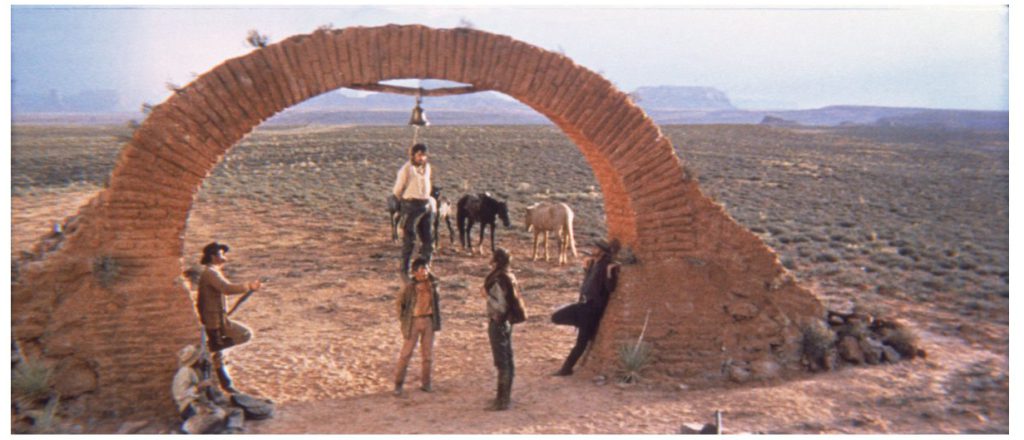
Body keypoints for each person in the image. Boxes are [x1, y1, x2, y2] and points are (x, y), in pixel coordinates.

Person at [196, 242, 263, 394]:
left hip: (218, 318)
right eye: (221, 254)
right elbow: (226, 289)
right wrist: (248, 286)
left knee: (219, 355)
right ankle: (212, 348)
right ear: (213, 257)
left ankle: (225, 383)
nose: (224, 257)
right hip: (213, 320)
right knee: (244, 334)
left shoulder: (213, 272)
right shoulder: (210, 273)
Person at [551, 238, 620, 376]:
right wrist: (586, 269)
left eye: (596, 248)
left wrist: (608, 272)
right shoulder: (594, 264)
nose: (593, 249)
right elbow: (587, 283)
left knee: (581, 342)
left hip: (592, 309)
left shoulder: (606, 265)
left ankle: (566, 368)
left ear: (602, 252)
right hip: (582, 306)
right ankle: (584, 326)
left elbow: (610, 288)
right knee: (556, 317)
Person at [482, 247, 528, 410]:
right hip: (506, 322)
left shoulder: (498, 279)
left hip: (498, 322)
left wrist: (486, 297)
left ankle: (502, 401)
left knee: (502, 362)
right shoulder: (509, 275)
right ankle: (504, 397)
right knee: (507, 360)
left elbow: (500, 305)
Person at [393, 257, 442, 396]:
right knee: (406, 354)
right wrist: (404, 320)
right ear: (415, 272)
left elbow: (436, 298)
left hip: (429, 321)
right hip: (413, 322)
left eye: (426, 268)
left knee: (427, 355)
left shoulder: (433, 284)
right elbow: (400, 305)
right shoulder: (409, 287)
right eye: (422, 269)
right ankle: (398, 384)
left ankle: (426, 384)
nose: (425, 271)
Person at [393, 143, 435, 279]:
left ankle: (425, 269)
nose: (422, 158)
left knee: (428, 241)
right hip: (411, 206)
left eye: (424, 155)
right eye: (419, 155)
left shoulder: (427, 168)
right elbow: (398, 189)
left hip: (426, 205)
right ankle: (405, 272)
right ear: (413, 155)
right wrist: (402, 204)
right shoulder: (406, 169)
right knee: (409, 241)